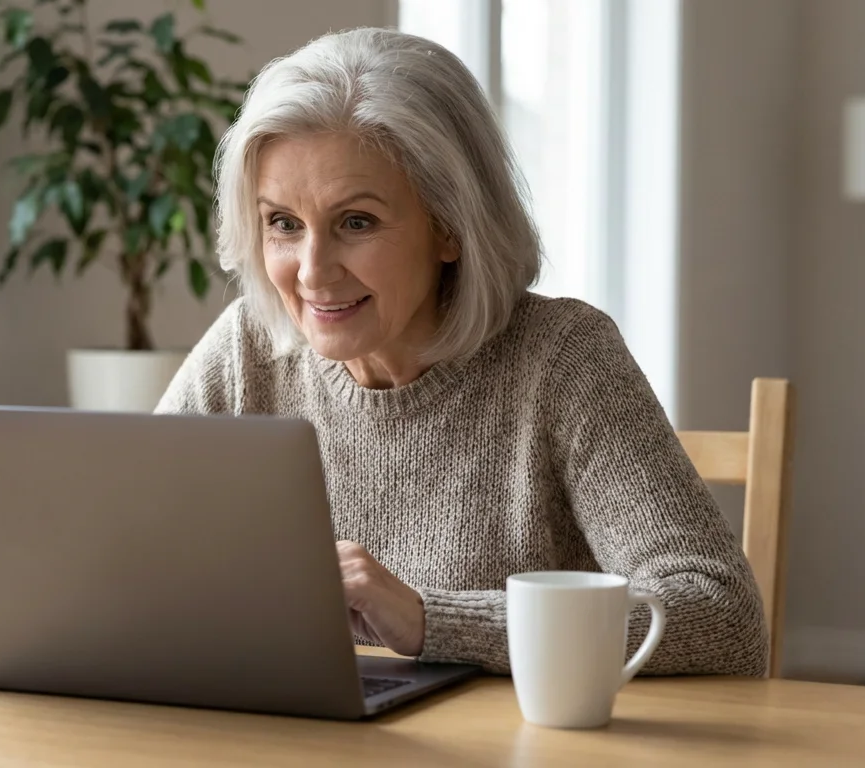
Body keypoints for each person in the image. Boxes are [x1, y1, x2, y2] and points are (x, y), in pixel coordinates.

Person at [155, 27, 767, 676]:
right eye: (284, 224)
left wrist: (429, 620)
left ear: (449, 226)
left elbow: (721, 615)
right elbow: (121, 554)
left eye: (355, 223)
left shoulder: (563, 360)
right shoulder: (247, 349)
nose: (312, 273)